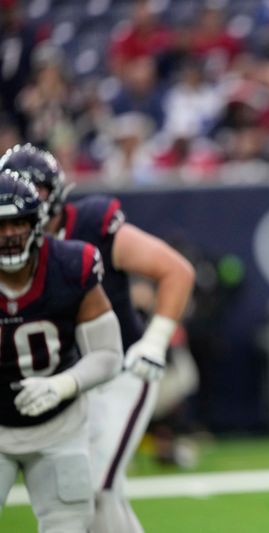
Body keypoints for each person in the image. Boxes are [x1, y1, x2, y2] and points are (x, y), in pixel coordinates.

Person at [0, 144, 196, 533]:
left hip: (121, 367)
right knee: (98, 492)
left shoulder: (87, 229)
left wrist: (155, 340)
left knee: (97, 488)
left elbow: (176, 270)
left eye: (32, 189)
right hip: (67, 380)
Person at [0, 170, 122, 531]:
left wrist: (61, 385)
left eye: (17, 223)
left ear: (37, 222)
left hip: (59, 426)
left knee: (68, 525)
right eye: (0, 224)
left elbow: (108, 354)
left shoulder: (69, 266)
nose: (8, 235)